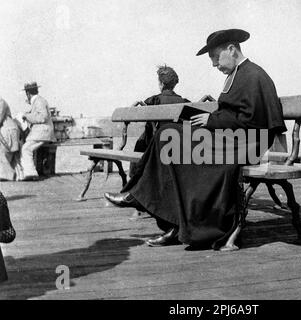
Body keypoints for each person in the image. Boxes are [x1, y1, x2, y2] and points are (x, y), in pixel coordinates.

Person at [104, 29, 286, 250]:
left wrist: (211, 121)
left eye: (215, 57)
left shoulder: (255, 76)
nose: (213, 65)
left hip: (246, 145)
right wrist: (207, 120)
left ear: (231, 49)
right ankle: (170, 222)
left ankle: (142, 199)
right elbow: (235, 115)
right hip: (230, 139)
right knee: (168, 133)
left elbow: (256, 124)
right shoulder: (239, 74)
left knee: (169, 136)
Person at [129, 65, 190, 177]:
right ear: (174, 84)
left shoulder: (153, 100)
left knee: (140, 142)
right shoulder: (184, 102)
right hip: (177, 144)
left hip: (155, 143)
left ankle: (134, 177)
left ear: (161, 84)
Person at [19, 82, 56, 181]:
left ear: (28, 93)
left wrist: (26, 116)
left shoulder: (39, 101)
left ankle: (31, 173)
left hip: (42, 132)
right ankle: (31, 173)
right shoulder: (39, 100)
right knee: (27, 149)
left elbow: (42, 117)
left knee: (26, 149)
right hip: (42, 132)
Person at [0, 98, 21, 181]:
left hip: (8, 130)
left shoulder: (1, 102)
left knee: (4, 153)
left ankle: (8, 175)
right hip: (5, 131)